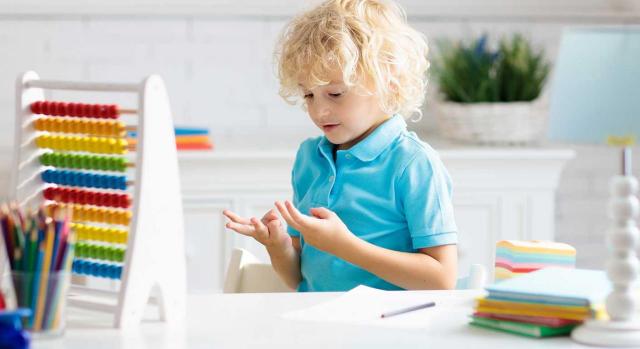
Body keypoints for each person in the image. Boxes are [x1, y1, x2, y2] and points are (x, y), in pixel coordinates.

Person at [223, 0, 457, 291]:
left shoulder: (413, 163)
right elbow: (299, 278)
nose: (319, 111)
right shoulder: (309, 159)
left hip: (388, 329)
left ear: (389, 84)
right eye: (309, 95)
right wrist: (278, 245)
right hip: (315, 325)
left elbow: (442, 280)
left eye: (335, 93)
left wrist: (345, 246)